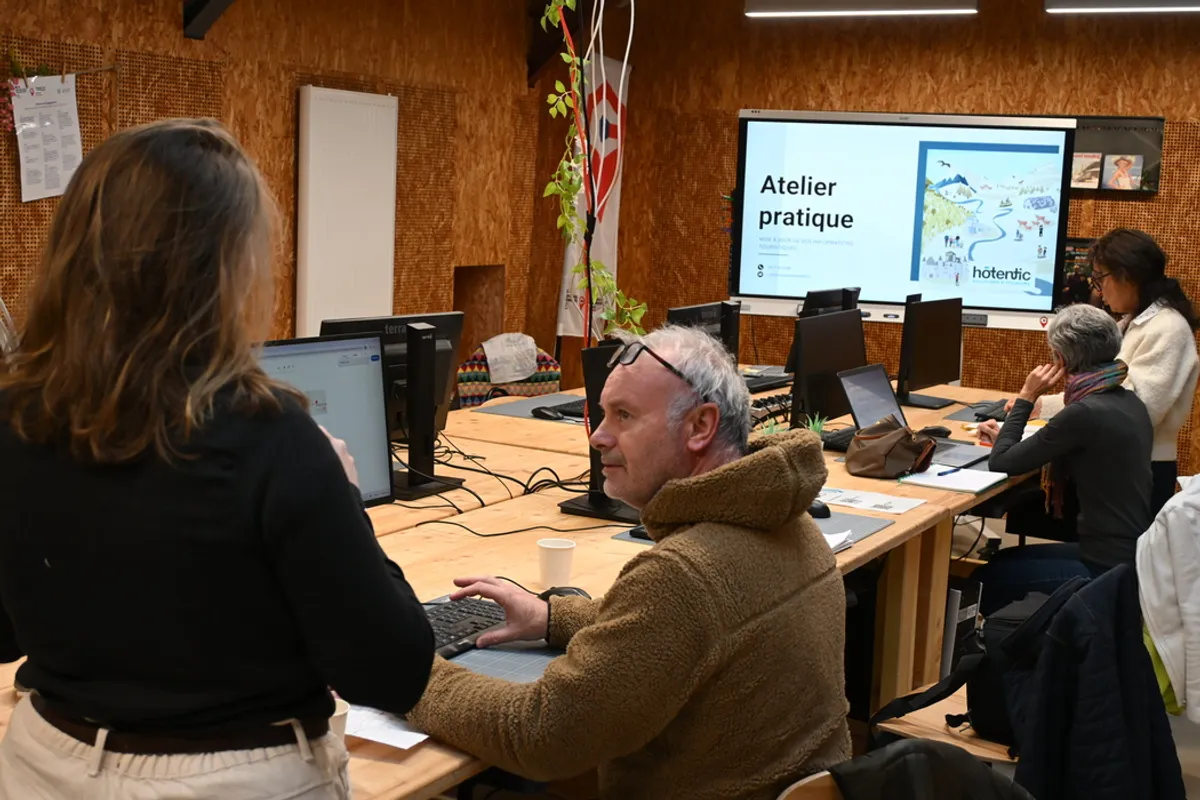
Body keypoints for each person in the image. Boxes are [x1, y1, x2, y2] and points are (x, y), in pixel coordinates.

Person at [0, 119, 435, 797]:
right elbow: (392, 671)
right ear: (227, 268)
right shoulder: (273, 435)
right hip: (235, 778)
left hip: (45, 764)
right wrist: (343, 496)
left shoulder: (16, 419)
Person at [406, 326, 851, 799]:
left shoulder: (683, 576)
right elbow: (685, 628)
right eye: (602, 414)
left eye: (624, 416)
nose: (599, 437)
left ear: (701, 426)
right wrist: (550, 615)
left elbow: (542, 736)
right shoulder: (785, 515)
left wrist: (405, 672)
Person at [976, 304, 1153, 615]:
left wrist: (1027, 396)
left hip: (1105, 568)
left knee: (985, 579)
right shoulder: (1127, 400)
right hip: (1129, 556)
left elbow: (1002, 462)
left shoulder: (1084, 412)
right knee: (1000, 561)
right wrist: (1008, 438)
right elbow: (1059, 443)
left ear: (1060, 358)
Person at [1014, 229, 1199, 514]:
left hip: (1139, 470)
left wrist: (1047, 416)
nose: (1098, 290)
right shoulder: (1132, 323)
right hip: (1119, 464)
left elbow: (1132, 411)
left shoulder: (1168, 328)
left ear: (1127, 276)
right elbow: (1105, 397)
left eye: (1100, 278)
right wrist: (1038, 406)